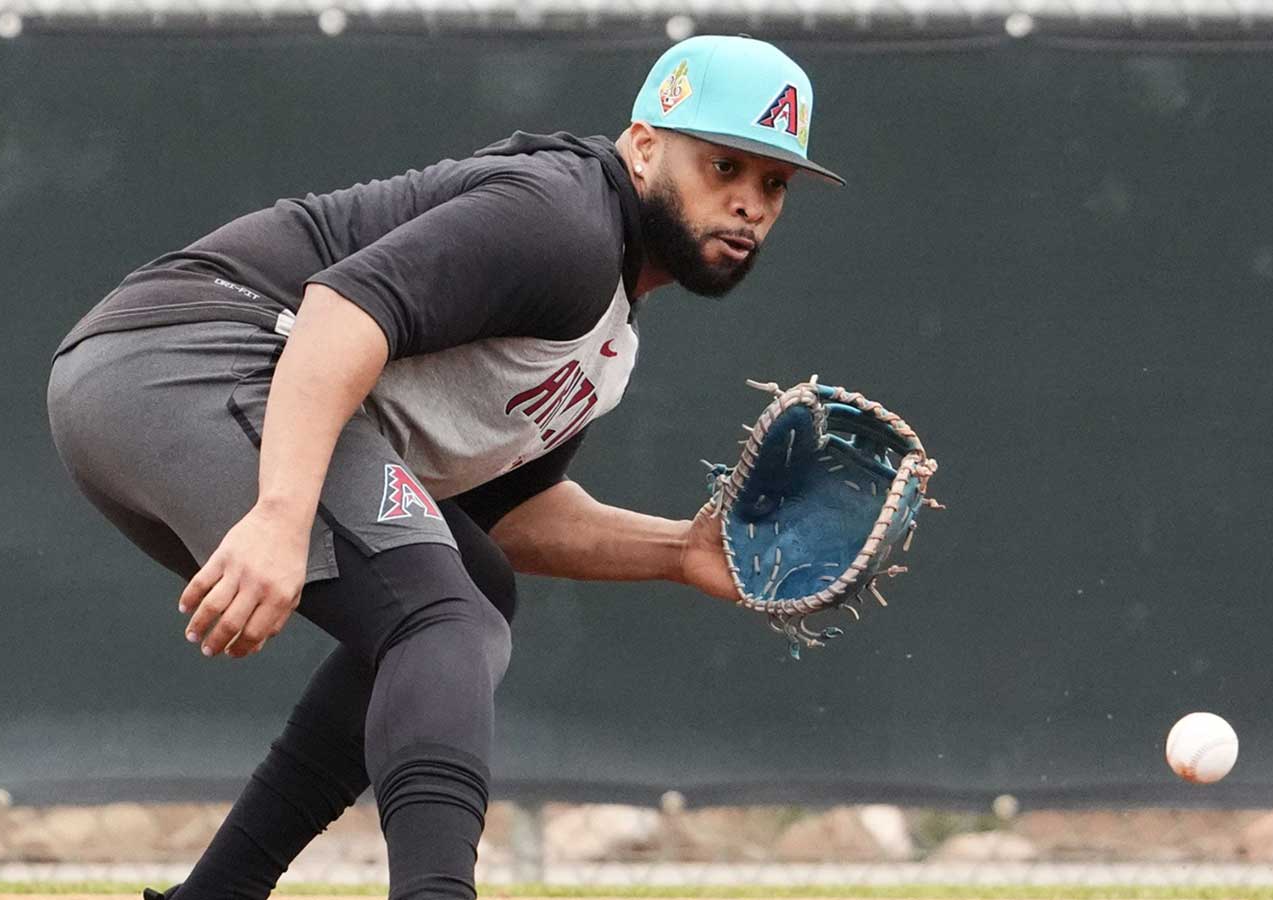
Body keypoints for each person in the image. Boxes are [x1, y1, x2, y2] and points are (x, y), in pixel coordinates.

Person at [46, 34, 844, 900]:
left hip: (177, 382)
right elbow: (340, 312)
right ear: (644, 145)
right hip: (184, 357)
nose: (749, 204)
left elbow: (504, 511)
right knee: (443, 616)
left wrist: (681, 551)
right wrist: (281, 514)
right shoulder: (565, 221)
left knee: (473, 584)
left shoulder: (607, 336)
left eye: (773, 183)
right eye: (723, 165)